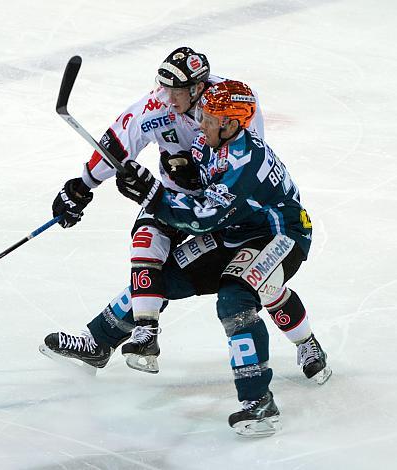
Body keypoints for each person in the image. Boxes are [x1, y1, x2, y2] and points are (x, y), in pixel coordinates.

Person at [45, 47, 328, 383]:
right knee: (148, 250)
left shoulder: (228, 106)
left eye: (176, 91)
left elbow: (237, 173)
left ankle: (302, 345)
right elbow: (122, 138)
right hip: (176, 200)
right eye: (164, 87)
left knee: (259, 287)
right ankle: (114, 339)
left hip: (234, 214)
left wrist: (193, 182)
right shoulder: (159, 104)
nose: (167, 97)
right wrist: (84, 183)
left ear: (197, 88)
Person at [109, 79, 325, 435]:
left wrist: (151, 194)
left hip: (281, 233)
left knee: (236, 296)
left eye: (210, 118)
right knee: (163, 277)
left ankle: (259, 402)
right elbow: (196, 178)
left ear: (232, 124)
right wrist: (165, 173)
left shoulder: (247, 163)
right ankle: (97, 341)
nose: (201, 123)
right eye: (203, 114)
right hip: (237, 231)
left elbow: (204, 217)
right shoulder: (208, 138)